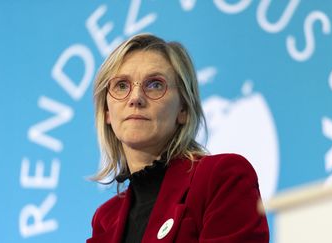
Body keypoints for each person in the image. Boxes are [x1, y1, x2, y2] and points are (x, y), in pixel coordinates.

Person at [87, 33, 269, 243]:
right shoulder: (105, 219)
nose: (135, 98)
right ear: (107, 112)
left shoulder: (221, 178)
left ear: (183, 109)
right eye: (121, 85)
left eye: (155, 84)